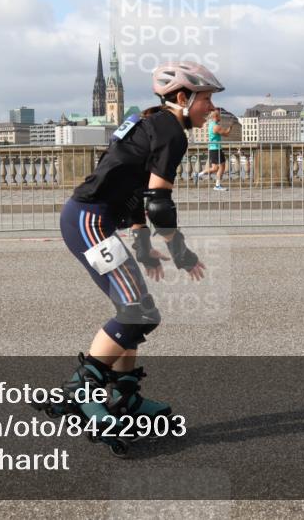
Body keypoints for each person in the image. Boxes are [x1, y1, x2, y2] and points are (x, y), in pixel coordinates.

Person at [51, 60, 224, 441]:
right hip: (90, 221)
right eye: (207, 99)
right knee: (139, 313)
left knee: (134, 309)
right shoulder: (171, 133)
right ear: (183, 97)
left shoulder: (148, 123)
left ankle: (125, 396)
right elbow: (159, 203)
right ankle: (80, 392)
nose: (211, 108)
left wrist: (143, 244)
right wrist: (181, 252)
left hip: (87, 218)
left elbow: (131, 188)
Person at [197, 109, 231, 190]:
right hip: (216, 149)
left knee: (215, 168)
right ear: (216, 116)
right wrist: (230, 127)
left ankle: (198, 175)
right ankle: (217, 185)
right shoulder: (216, 126)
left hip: (213, 148)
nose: (220, 117)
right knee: (221, 166)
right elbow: (226, 134)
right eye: (219, 115)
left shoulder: (211, 124)